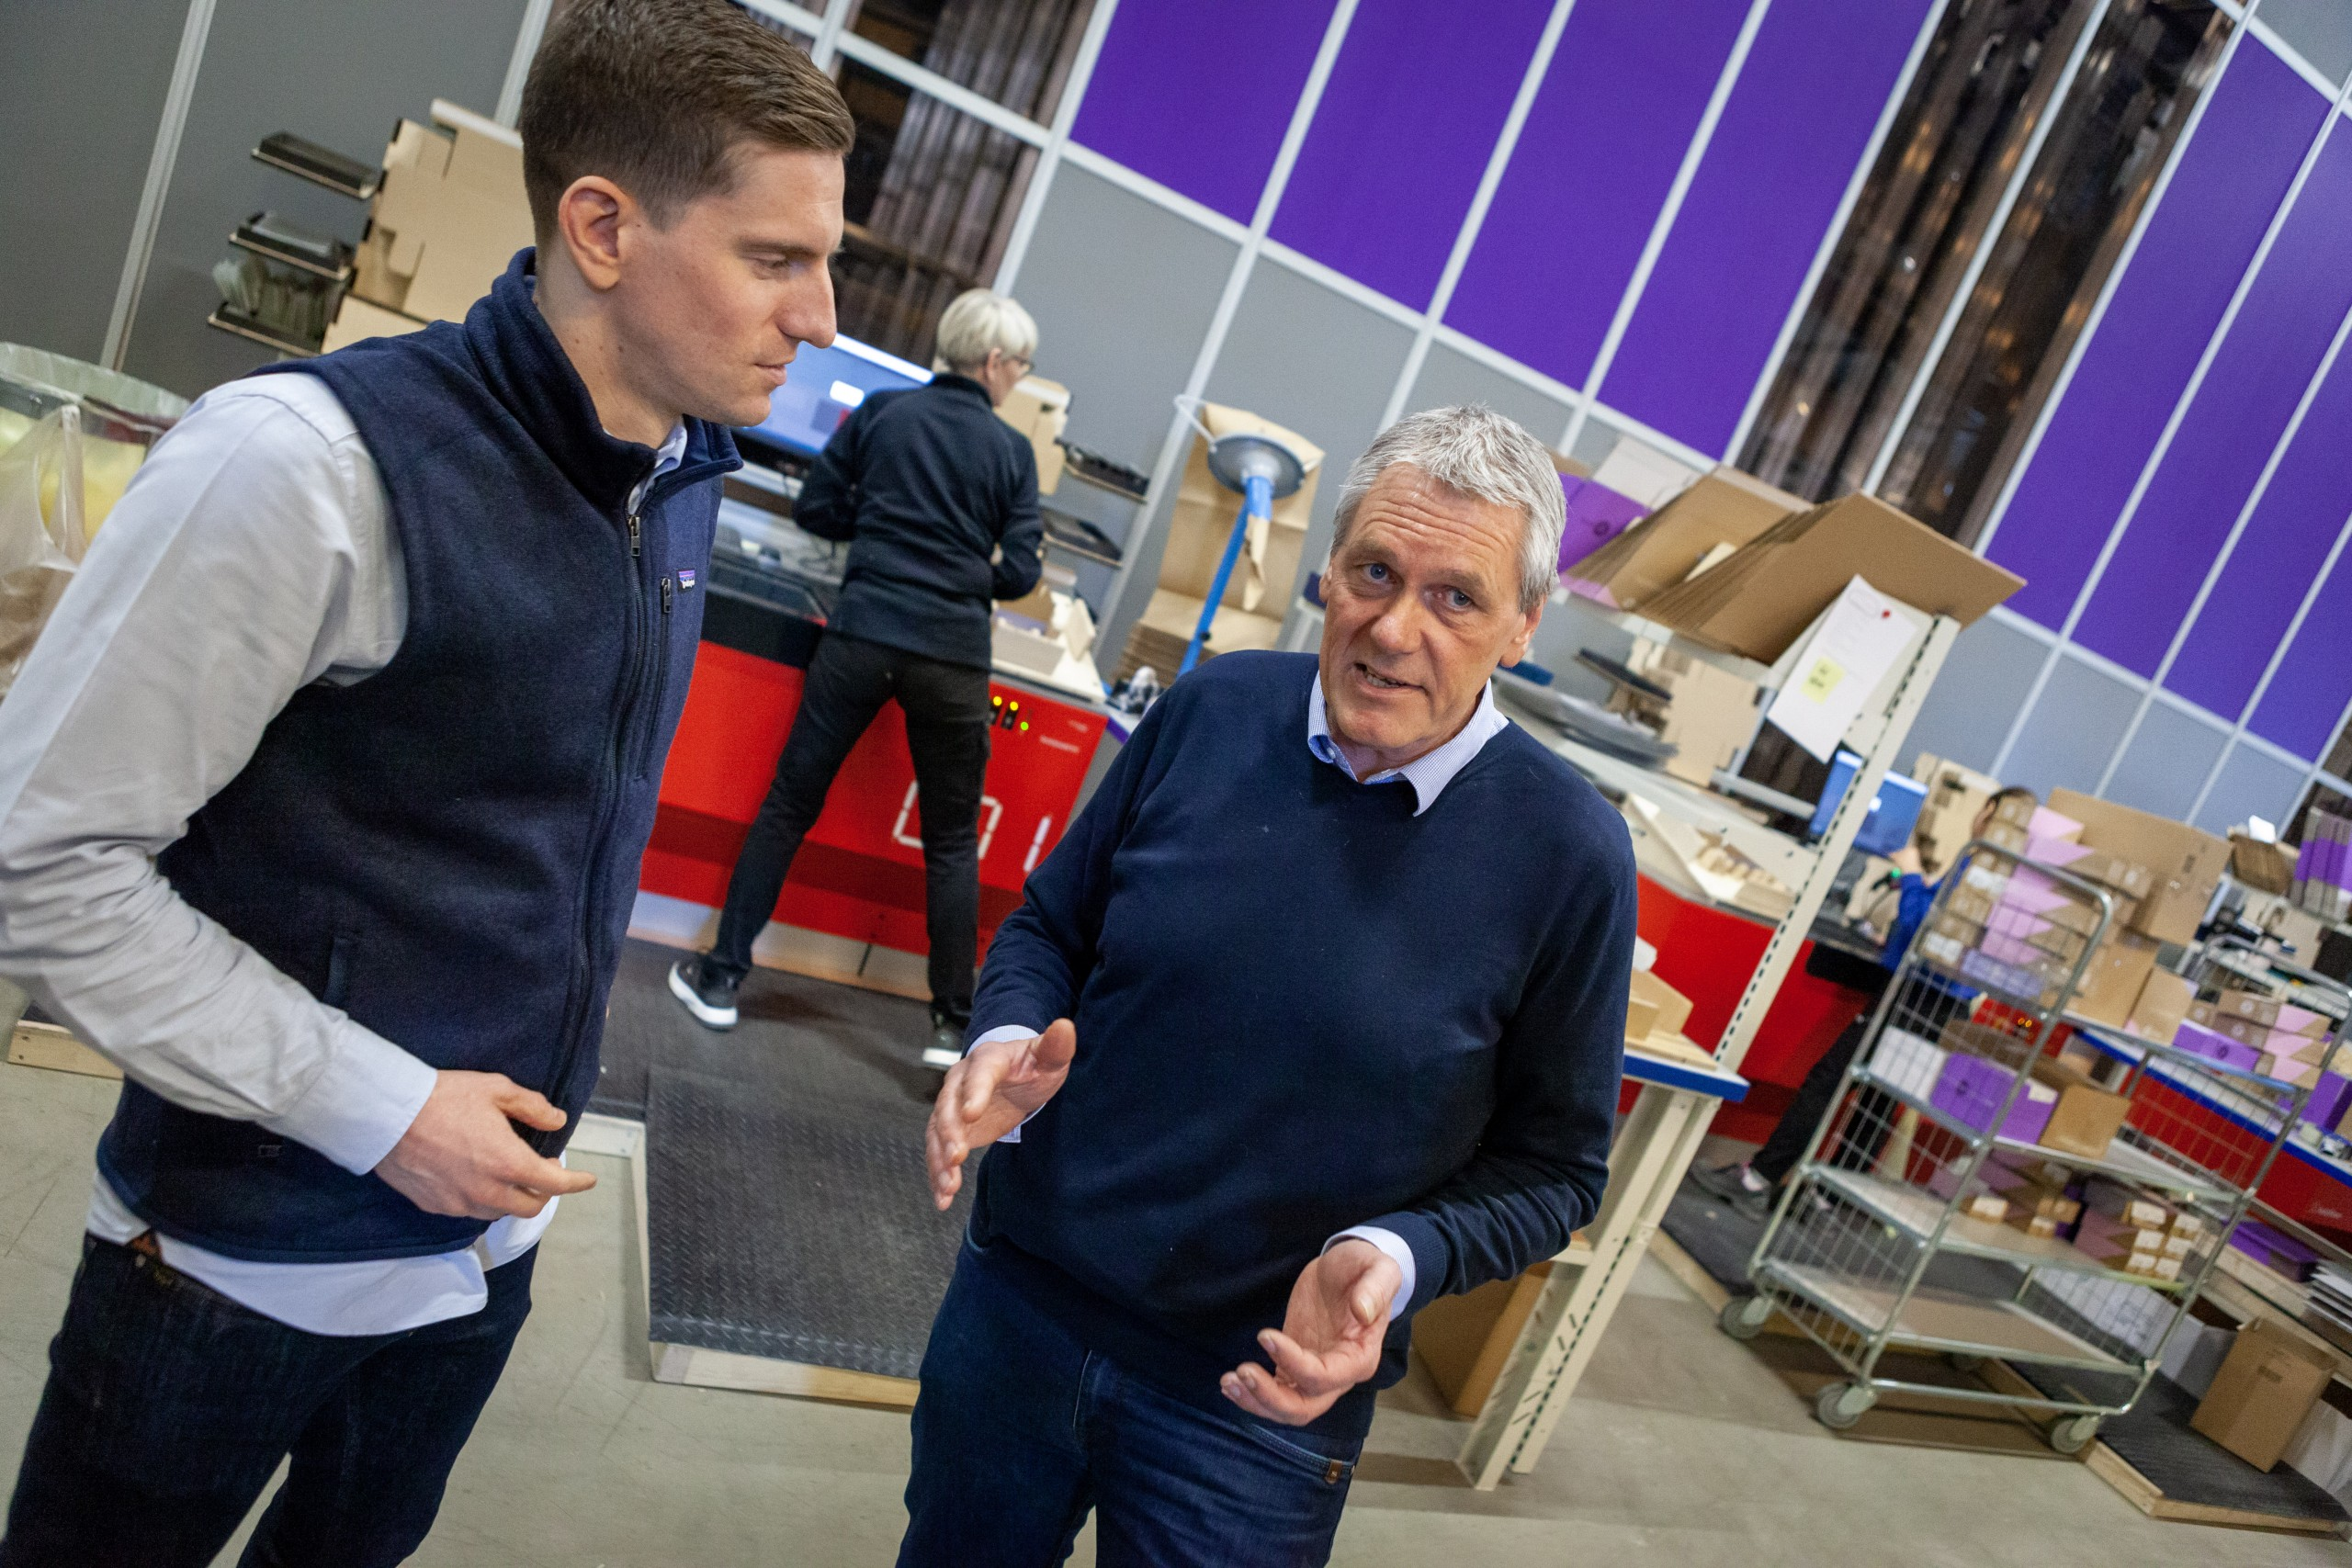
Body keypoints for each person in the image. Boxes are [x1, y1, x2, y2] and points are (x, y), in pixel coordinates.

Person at [0, 6, 850, 1563]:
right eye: (776, 258)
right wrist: (382, 1109)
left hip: (482, 1253)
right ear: (601, 225)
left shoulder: (668, 484)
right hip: (234, 1263)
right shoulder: (305, 467)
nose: (822, 313)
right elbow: (39, 866)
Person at [905, 406, 1639, 1566]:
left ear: (1521, 627)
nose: (1394, 629)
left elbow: (1553, 1171)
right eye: (1374, 572)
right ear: (1329, 569)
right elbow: (1053, 926)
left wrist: (1398, 1259)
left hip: (1254, 1403)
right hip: (1021, 1312)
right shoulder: (1209, 711)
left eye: (1456, 598)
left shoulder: (1569, 856)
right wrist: (1002, 1034)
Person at [666, 288, 1045, 1066]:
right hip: (952, 657)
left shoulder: (883, 414)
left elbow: (816, 507)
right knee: (950, 841)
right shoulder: (1013, 453)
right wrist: (966, 568)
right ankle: (949, 1026)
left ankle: (720, 976)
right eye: (1021, 366)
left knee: (789, 804)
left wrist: (876, 535)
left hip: (863, 632)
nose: (1018, 379)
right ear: (997, 363)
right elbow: (1023, 572)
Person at [1690, 784, 2040, 1214]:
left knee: (1829, 1081)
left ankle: (1757, 1178)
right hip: (1948, 1007)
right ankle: (1828, 1200)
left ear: (1988, 814)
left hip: (1911, 995)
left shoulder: (1977, 866)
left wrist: (1911, 872)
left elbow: (1921, 930)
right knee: (1879, 1100)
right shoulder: (2013, 883)